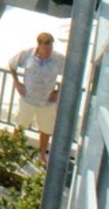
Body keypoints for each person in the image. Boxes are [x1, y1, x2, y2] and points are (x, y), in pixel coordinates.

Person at [8, 31, 66, 164]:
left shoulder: (58, 59)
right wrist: (17, 83)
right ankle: (13, 150)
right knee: (20, 125)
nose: (48, 52)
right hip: (28, 99)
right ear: (39, 46)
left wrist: (58, 91)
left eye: (50, 48)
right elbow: (12, 64)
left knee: (46, 129)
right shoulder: (27, 54)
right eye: (45, 49)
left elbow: (70, 75)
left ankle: (42, 155)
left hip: (46, 102)